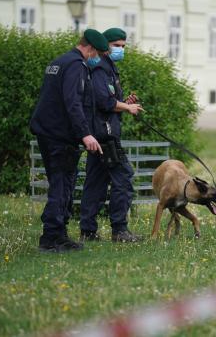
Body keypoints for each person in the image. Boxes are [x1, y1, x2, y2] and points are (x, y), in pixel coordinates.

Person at [30, 29, 109, 253]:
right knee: (62, 185)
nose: (99, 58)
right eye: (99, 53)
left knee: (61, 182)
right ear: (91, 48)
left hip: (49, 133)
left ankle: (59, 235)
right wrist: (85, 133)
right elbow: (72, 102)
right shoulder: (76, 65)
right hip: (59, 136)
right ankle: (52, 238)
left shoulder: (60, 61)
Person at [79, 28, 144, 243]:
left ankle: (88, 230)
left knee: (96, 182)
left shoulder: (110, 67)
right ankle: (120, 230)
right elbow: (103, 101)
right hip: (104, 135)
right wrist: (127, 108)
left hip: (101, 133)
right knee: (123, 177)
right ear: (105, 45)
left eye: (124, 46)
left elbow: (111, 99)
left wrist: (126, 102)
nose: (121, 49)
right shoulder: (99, 68)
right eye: (117, 45)